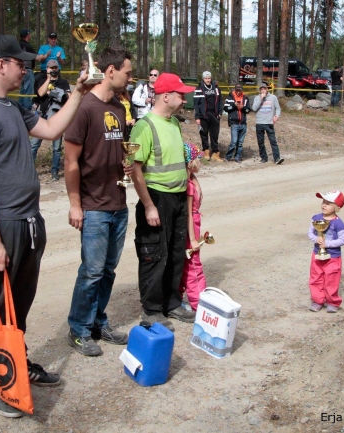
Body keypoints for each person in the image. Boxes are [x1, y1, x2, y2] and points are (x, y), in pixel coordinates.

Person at [0, 34, 91, 418]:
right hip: (4, 225)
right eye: (21, 64)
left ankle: (16, 360)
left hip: (30, 222)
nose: (26, 70)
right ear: (1, 64)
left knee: (19, 302)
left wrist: (79, 92)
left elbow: (51, 130)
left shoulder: (13, 108)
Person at [63, 47, 133, 357]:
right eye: (128, 72)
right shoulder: (84, 108)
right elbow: (70, 162)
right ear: (110, 71)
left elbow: (114, 149)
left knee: (107, 271)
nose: (131, 78)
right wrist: (75, 204)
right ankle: (78, 329)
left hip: (118, 203)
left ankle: (97, 323)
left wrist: (127, 165)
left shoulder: (119, 107)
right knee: (91, 271)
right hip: (92, 207)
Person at [130, 73, 198, 330]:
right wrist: (148, 206)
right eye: (180, 95)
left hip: (178, 196)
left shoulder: (174, 124)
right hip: (157, 198)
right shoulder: (144, 126)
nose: (184, 99)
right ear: (165, 96)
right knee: (154, 254)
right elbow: (135, 170)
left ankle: (172, 303)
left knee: (175, 253)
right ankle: (151, 310)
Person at [30, 59, 71, 180]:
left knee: (57, 147)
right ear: (47, 68)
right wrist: (48, 78)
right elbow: (41, 93)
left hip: (57, 117)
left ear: (58, 68)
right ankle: (30, 169)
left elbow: (70, 97)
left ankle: (55, 172)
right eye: (51, 68)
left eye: (55, 68)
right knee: (34, 144)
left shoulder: (63, 82)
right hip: (42, 116)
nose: (53, 70)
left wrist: (57, 93)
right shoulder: (42, 80)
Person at [308, 190, 344, 313]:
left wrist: (327, 244)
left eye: (328, 203)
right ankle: (317, 300)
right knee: (315, 278)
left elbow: (342, 240)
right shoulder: (316, 218)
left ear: (337, 207)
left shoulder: (339, 223)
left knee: (331, 280)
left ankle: (332, 302)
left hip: (333, 257)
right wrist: (316, 239)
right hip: (317, 255)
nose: (324, 205)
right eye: (323, 202)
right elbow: (310, 233)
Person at [179, 142, 206, 311]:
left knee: (184, 263)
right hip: (191, 228)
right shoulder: (189, 186)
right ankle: (199, 304)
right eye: (197, 159)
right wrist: (193, 239)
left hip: (194, 224)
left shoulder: (191, 181)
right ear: (190, 162)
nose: (200, 163)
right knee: (193, 265)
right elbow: (188, 214)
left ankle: (178, 296)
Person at [252, 82, 284, 164]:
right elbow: (254, 108)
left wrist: (276, 116)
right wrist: (260, 99)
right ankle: (264, 157)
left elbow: (278, 108)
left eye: (264, 89)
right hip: (259, 122)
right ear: (260, 90)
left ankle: (277, 158)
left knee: (273, 141)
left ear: (267, 89)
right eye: (261, 89)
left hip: (269, 122)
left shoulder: (273, 97)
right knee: (260, 142)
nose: (263, 90)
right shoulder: (257, 98)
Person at [194, 71, 223, 161]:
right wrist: (197, 117)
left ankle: (215, 153)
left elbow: (220, 101)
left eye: (209, 78)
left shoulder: (216, 88)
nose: (208, 80)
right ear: (203, 79)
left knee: (214, 134)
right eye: (206, 78)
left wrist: (220, 113)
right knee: (204, 134)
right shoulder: (199, 88)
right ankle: (206, 151)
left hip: (214, 115)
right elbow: (196, 104)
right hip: (204, 115)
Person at [223, 84, 250, 163]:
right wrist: (234, 106)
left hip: (243, 123)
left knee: (240, 143)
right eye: (237, 90)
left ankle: (238, 157)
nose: (238, 92)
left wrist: (243, 108)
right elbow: (226, 108)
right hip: (234, 123)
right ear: (235, 90)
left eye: (240, 90)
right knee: (234, 141)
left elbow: (248, 110)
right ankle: (228, 156)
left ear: (242, 90)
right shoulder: (230, 97)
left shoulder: (245, 98)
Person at [18, 29, 39, 110]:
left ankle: (20, 108)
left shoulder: (18, 44)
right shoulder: (27, 45)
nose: (30, 35)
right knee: (28, 91)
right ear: (27, 35)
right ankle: (27, 110)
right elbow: (36, 57)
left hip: (20, 70)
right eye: (29, 34)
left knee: (22, 90)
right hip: (27, 70)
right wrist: (45, 55)